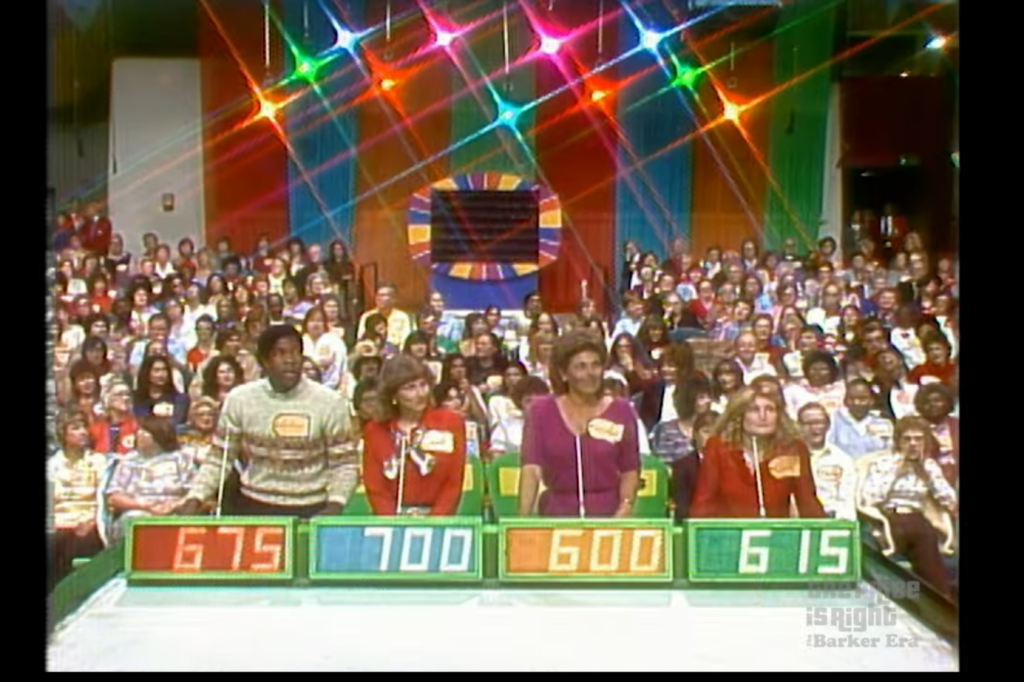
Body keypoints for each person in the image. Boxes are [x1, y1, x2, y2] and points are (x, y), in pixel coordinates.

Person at [177, 325, 358, 518]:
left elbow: (344, 464)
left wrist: (336, 504)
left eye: (295, 353)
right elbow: (219, 459)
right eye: (280, 353)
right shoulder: (240, 399)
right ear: (265, 361)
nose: (290, 360)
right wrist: (195, 497)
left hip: (313, 507)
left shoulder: (330, 402)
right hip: (255, 506)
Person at [518, 329, 641, 518]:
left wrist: (625, 508)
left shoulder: (622, 411)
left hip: (609, 517)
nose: (590, 373)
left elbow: (630, 468)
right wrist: (521, 522)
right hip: (557, 514)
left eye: (596, 365)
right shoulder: (540, 411)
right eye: (581, 366)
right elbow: (531, 469)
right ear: (564, 373)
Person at [857, 416, 957, 597]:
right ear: (898, 441)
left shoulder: (929, 466)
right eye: (907, 439)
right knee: (887, 562)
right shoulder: (884, 463)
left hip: (917, 518)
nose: (913, 444)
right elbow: (870, 498)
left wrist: (929, 478)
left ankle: (941, 605)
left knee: (933, 568)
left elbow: (949, 500)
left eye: (918, 439)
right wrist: (895, 474)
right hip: (888, 517)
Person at [689, 387, 826, 518]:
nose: (763, 416)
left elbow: (807, 503)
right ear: (739, 416)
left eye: (770, 409)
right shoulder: (718, 448)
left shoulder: (791, 450)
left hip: (776, 536)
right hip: (728, 537)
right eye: (754, 410)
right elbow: (704, 503)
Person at [362, 355, 467, 516]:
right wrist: (392, 523)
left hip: (438, 519)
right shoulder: (375, 430)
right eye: (410, 387)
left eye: (423, 385)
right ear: (393, 394)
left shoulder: (451, 423)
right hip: (391, 521)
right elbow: (375, 487)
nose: (420, 394)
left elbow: (453, 482)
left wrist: (435, 522)